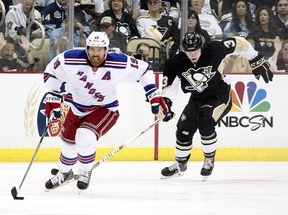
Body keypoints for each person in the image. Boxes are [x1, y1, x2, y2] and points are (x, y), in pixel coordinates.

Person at [44, 31, 171, 190]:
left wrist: (153, 93)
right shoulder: (70, 58)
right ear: (87, 48)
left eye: (100, 50)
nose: (95, 54)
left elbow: (144, 70)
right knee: (68, 144)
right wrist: (53, 93)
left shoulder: (118, 62)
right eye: (92, 49)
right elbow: (51, 72)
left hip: (105, 109)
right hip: (76, 107)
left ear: (106, 49)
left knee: (84, 135)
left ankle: (85, 170)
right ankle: (64, 173)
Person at [160, 32, 273, 180]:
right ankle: (180, 164)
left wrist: (256, 58)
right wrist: (166, 104)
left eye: (195, 50)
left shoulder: (215, 49)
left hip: (219, 96)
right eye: (189, 51)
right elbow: (169, 87)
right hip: (196, 99)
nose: (192, 54)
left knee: (205, 121)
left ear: (201, 47)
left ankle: (209, 159)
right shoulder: (175, 63)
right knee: (183, 130)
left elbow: (239, 42)